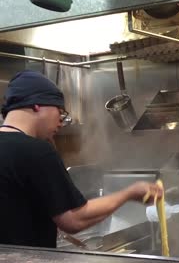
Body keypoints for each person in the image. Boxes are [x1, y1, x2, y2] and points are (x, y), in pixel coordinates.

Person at [0, 70, 162, 248]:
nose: (60, 123)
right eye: (59, 112)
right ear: (37, 105)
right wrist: (129, 193)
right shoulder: (36, 150)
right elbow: (73, 220)